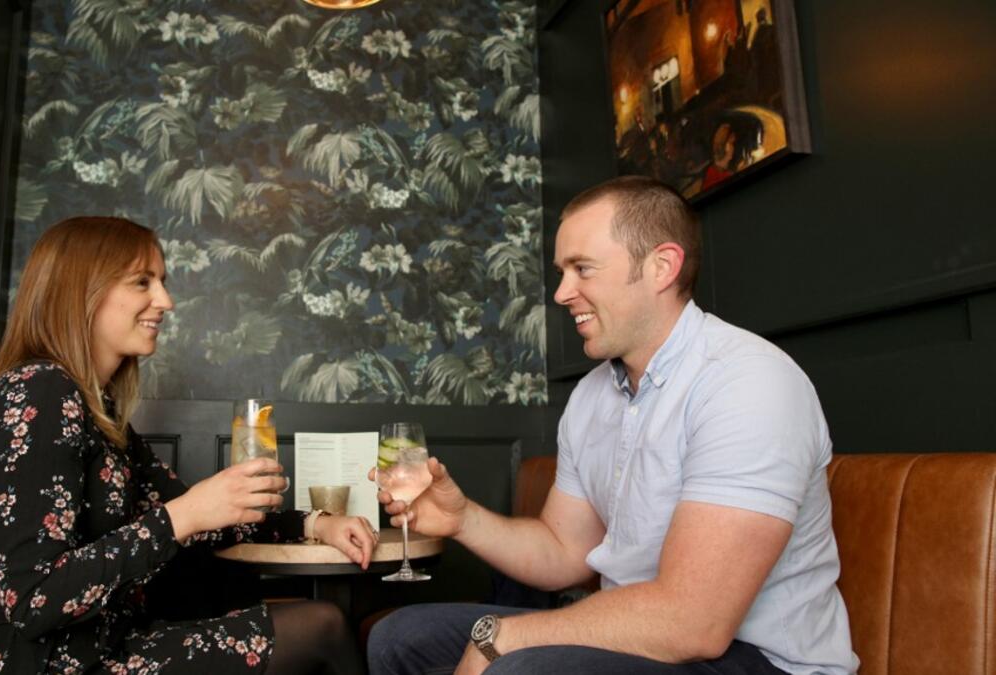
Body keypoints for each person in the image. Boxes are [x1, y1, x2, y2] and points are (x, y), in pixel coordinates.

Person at [368, 177, 858, 675]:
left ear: (661, 267)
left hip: (760, 660)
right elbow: (564, 551)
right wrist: (462, 520)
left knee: (518, 668)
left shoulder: (748, 383)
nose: (562, 293)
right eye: (562, 272)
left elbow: (694, 624)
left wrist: (506, 637)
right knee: (399, 640)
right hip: (637, 637)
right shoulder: (593, 394)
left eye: (583, 269)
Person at [0, 216, 376, 674]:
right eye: (142, 282)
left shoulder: (95, 409)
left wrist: (314, 522)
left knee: (313, 620)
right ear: (81, 290)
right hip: (44, 666)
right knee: (323, 626)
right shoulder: (39, 393)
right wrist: (185, 515)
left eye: (162, 282)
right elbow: (33, 599)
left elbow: (205, 518)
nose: (166, 301)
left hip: (102, 648)